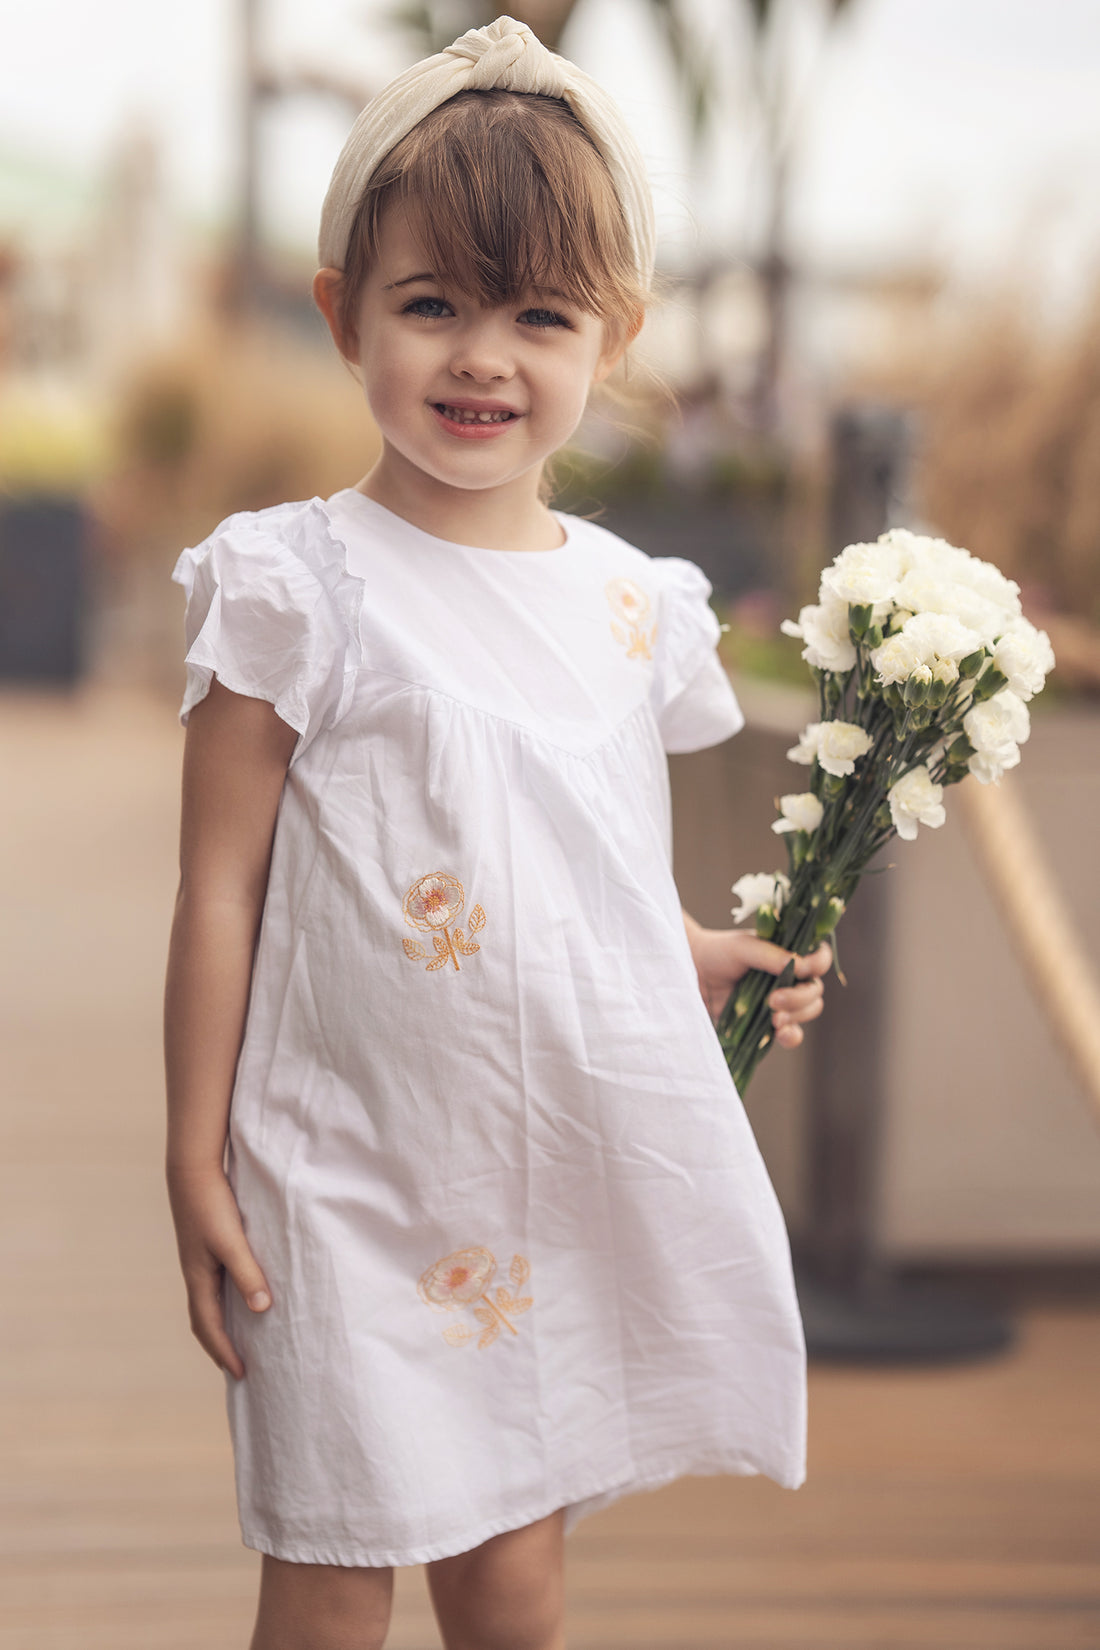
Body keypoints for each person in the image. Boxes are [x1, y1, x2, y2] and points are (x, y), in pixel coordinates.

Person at [164, 18, 830, 1650]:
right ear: (343, 312)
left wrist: (694, 954)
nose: (483, 357)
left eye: (539, 315)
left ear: (614, 334)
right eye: (432, 304)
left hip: (527, 1173)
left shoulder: (625, 603)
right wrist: (191, 1147)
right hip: (335, 1169)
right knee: (328, 1567)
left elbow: (571, 857)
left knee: (512, 1575)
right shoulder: (292, 583)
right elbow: (219, 888)